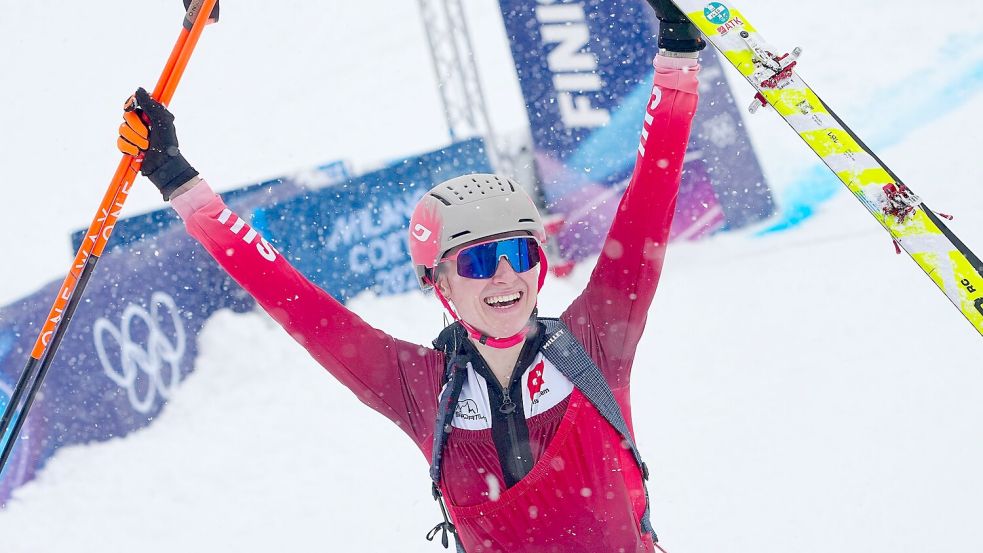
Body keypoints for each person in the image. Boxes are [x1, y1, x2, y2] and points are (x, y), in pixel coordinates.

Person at [117, 1, 704, 551]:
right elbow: (295, 301)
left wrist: (677, 61)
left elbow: (647, 206)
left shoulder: (596, 343)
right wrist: (177, 180)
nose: (505, 277)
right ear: (439, 284)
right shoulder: (420, 388)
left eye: (520, 255)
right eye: (477, 261)